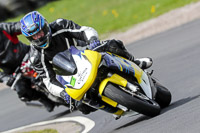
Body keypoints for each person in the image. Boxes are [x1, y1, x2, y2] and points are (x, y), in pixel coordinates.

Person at [20, 11, 153, 114]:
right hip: (71, 76)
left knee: (113, 45)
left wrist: (93, 40)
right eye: (34, 36)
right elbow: (49, 81)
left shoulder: (60, 25)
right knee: (82, 107)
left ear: (45, 26)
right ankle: (114, 107)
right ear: (29, 38)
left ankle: (134, 62)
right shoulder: (35, 57)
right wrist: (63, 93)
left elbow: (84, 30)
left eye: (40, 32)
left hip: (86, 52)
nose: (38, 37)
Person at [0, 22, 55, 112]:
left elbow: (18, 27)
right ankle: (43, 99)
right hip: (13, 72)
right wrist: (6, 79)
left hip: (27, 54)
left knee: (49, 55)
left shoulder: (4, 28)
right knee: (22, 91)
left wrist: (29, 27)